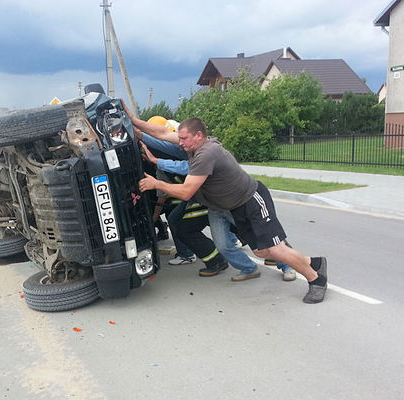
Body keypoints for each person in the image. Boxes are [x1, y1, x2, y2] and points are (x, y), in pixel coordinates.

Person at [135, 117, 327, 303]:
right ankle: (314, 262)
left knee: (276, 249)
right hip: (234, 206)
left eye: (184, 139)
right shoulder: (193, 145)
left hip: (252, 199)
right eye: (180, 138)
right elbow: (160, 132)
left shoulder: (206, 154)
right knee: (261, 252)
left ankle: (316, 280)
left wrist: (156, 183)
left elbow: (186, 192)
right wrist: (131, 120)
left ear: (199, 135)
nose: (180, 143)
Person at [141, 137, 296, 281]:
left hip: (230, 202)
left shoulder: (202, 153)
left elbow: (183, 170)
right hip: (212, 204)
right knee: (223, 243)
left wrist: (156, 166)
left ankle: (287, 263)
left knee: (261, 234)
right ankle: (248, 267)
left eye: (183, 139)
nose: (181, 144)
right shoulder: (182, 153)